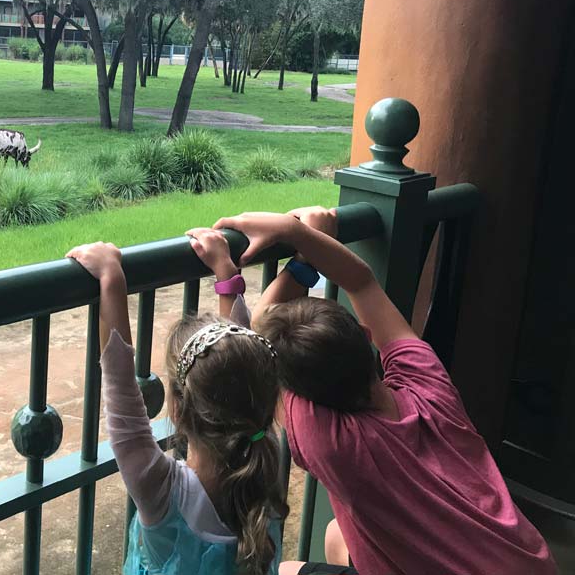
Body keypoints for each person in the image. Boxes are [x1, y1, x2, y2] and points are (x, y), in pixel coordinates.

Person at [205, 207, 555, 575]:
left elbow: (256, 338)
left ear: (291, 389)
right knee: (338, 535)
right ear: (366, 337)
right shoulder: (428, 385)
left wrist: (285, 258)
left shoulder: (329, 442)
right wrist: (302, 237)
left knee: (287, 570)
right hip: (528, 561)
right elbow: (362, 282)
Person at [67, 234, 286, 575]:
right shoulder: (262, 457)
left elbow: (122, 391)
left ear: (178, 410)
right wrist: (227, 275)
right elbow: (242, 375)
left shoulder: (164, 493)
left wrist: (112, 278)